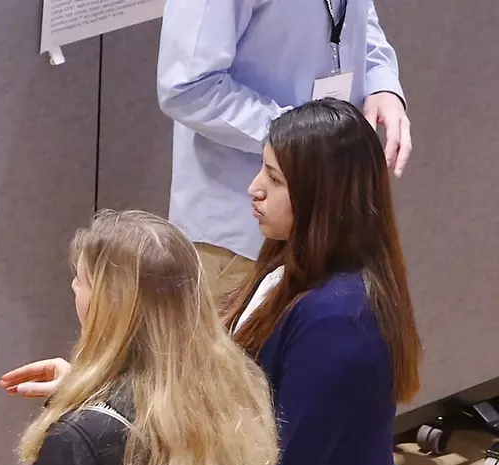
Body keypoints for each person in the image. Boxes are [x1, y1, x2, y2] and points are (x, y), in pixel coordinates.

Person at [0, 210, 278, 465]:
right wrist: (88, 390)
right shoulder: (228, 389)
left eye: (81, 279)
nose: (73, 287)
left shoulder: (79, 440)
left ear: (108, 307)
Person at [223, 98, 422, 465]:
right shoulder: (288, 261)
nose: (254, 188)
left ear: (323, 197)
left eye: (275, 179)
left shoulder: (340, 319)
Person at [156, 0, 413, 301]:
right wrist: (301, 139)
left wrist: (381, 82)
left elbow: (355, 16)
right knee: (240, 348)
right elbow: (187, 89)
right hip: (241, 237)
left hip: (331, 217)